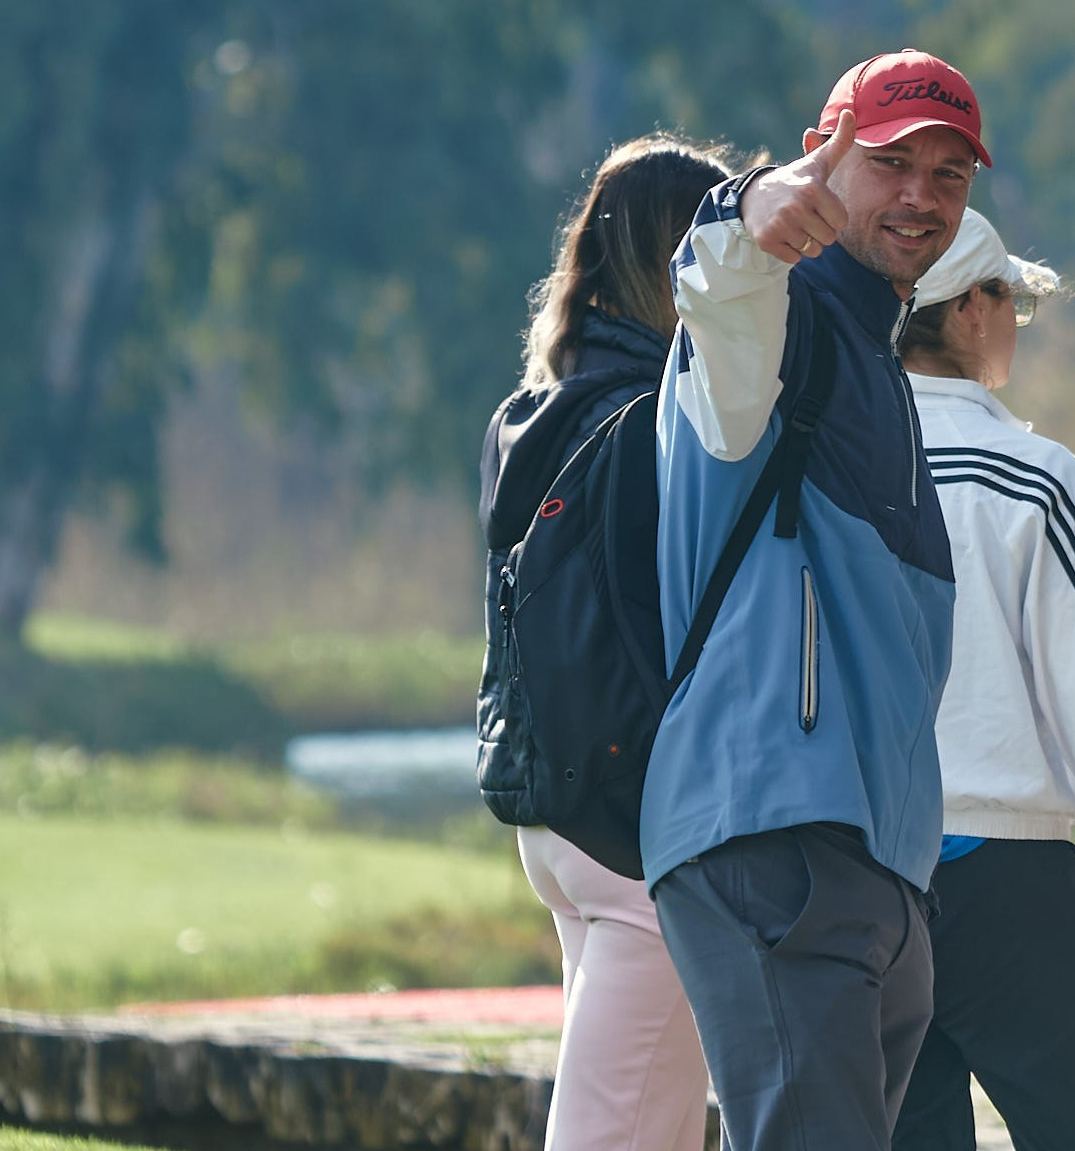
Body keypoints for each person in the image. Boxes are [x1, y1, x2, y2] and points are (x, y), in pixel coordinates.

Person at [643, 49, 990, 1151]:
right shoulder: (776, 323)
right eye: (890, 163)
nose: (921, 196)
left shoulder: (876, 359)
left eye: (949, 174)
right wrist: (748, 209)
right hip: (776, 832)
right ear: (820, 159)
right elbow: (721, 286)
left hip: (871, 860)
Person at [886, 206, 1075, 1151]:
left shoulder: (820, 464)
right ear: (970, 311)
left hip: (855, 882)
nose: (1018, 317)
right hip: (1005, 881)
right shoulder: (1034, 475)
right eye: (1011, 298)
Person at [476, 133, 735, 1151]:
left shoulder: (528, 411)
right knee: (620, 1129)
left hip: (555, 810)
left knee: (643, 1118)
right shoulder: (660, 419)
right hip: (641, 828)